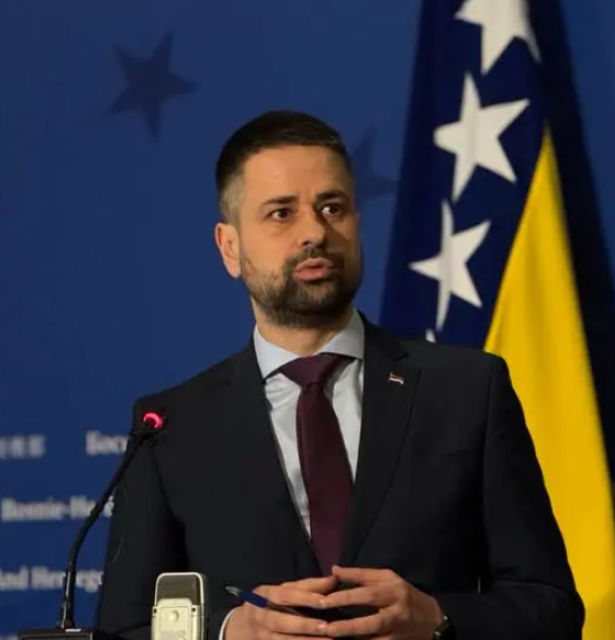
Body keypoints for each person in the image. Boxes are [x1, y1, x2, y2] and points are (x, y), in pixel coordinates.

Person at [95, 110, 584, 640]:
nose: (314, 232)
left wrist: (438, 619)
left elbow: (551, 606)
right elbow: (124, 627)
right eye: (281, 213)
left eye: (332, 207)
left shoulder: (466, 391)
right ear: (230, 247)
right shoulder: (169, 428)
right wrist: (228, 631)